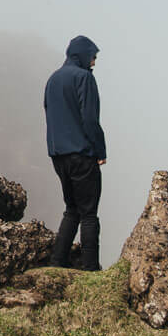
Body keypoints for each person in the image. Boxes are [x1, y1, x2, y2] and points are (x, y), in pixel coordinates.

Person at [43, 34, 107, 270]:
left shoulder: (53, 79)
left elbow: (49, 113)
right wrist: (100, 150)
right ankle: (90, 269)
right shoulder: (84, 79)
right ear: (82, 55)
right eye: (93, 56)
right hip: (81, 154)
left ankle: (57, 262)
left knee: (72, 209)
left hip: (58, 155)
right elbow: (90, 119)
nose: (94, 62)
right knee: (89, 213)